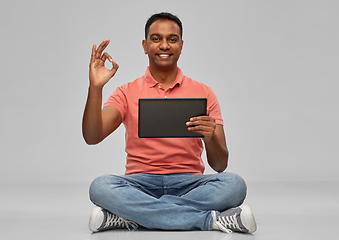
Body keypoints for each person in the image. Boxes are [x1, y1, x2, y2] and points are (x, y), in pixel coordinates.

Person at [82, 12, 257, 234]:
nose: (164, 45)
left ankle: (131, 216)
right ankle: (209, 220)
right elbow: (92, 136)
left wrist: (210, 137)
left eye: (172, 39)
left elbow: (220, 165)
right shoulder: (126, 92)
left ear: (181, 46)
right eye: (156, 39)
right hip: (139, 184)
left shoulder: (204, 93)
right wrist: (95, 88)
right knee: (100, 187)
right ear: (145, 46)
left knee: (234, 185)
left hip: (190, 184)